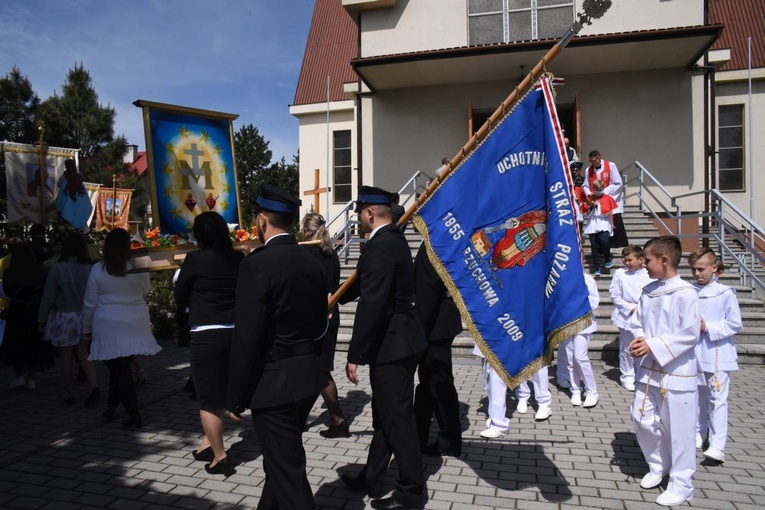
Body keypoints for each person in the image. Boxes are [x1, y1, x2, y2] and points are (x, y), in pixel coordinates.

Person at [227, 185, 328, 508]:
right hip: (306, 376)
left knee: (287, 469)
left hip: (273, 383)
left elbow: (248, 336)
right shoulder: (312, 259)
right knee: (280, 460)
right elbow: (318, 325)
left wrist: (236, 396)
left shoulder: (256, 264)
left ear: (261, 220)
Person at [338, 185, 427, 510]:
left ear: (370, 213)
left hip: (392, 343)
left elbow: (372, 302)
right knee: (387, 415)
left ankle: (411, 493)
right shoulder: (393, 240)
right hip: (402, 339)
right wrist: (334, 298)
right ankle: (373, 477)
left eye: (360, 213)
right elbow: (364, 282)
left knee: (398, 419)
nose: (358, 220)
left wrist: (355, 354)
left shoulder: (380, 246)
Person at [628, 236, 700, 507]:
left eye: (647, 260)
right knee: (641, 416)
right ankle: (658, 464)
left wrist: (653, 344)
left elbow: (689, 333)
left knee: (678, 429)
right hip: (649, 368)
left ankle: (682, 484)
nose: (644, 264)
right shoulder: (648, 291)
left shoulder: (686, 293)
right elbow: (638, 322)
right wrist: (638, 338)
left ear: (665, 260)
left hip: (676, 370)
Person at [174, 211, 244, 474]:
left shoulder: (195, 259)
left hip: (206, 333)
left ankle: (219, 456)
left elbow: (180, 295)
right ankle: (207, 442)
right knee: (220, 389)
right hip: (235, 331)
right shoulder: (237, 258)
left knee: (208, 399)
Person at [82, 228, 161, 429]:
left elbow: (90, 303)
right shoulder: (138, 267)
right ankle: (111, 408)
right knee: (119, 369)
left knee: (119, 370)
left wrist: (86, 329)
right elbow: (146, 291)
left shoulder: (99, 269)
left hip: (108, 325)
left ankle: (133, 413)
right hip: (135, 322)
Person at [687, 247, 742, 463]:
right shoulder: (689, 291)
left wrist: (707, 326)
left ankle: (718, 444)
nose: (697, 274)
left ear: (714, 268)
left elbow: (734, 323)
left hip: (717, 351)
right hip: (694, 352)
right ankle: (699, 433)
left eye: (701, 269)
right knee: (697, 396)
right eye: (693, 269)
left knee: (717, 399)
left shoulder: (725, 293)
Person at [300, 212, 350, 439]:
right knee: (316, 369)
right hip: (330, 317)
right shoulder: (331, 254)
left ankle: (338, 420)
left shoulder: (304, 253)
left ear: (305, 231)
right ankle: (300, 417)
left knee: (318, 370)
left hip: (313, 318)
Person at [38, 232, 99, 406]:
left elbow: (49, 295)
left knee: (66, 357)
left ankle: (69, 393)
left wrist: (42, 318)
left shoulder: (58, 267)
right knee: (84, 353)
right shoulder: (90, 267)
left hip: (64, 315)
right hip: (84, 315)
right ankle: (94, 386)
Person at [413, 243, 463, 456]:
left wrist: (418, 332)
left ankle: (449, 439)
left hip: (435, 325)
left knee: (440, 384)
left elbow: (427, 291)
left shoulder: (435, 243)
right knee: (428, 383)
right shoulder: (439, 239)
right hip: (439, 321)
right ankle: (419, 433)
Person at [0, 241, 52, 389]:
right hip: (35, 311)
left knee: (17, 346)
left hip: (17, 311)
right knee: (33, 345)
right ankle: (31, 378)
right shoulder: (38, 271)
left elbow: (7, 292)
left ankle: (19, 376)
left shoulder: (10, 271)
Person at [609, 245, 653, 391]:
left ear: (641, 260)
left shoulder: (648, 273)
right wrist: (630, 308)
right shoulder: (620, 273)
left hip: (645, 314)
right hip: (627, 314)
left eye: (629, 260)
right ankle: (627, 376)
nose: (626, 262)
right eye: (624, 259)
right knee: (627, 347)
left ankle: (641, 371)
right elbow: (615, 295)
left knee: (643, 343)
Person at [565, 271, 600, 408]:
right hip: (565, 322)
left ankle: (592, 391)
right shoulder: (562, 278)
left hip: (583, 321)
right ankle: (575, 389)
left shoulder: (587, 279)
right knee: (569, 358)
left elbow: (593, 301)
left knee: (580, 356)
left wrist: (575, 307)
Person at [582, 150, 628, 247]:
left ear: (599, 158)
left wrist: (604, 193)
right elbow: (585, 185)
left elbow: (618, 183)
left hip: (609, 200)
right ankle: (601, 247)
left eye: (593, 161)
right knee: (598, 226)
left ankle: (614, 245)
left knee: (613, 223)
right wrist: (590, 194)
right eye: (590, 161)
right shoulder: (588, 170)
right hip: (595, 202)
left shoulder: (610, 166)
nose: (592, 163)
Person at [474, 344, 510, 439]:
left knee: (497, 382)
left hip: (500, 342)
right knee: (489, 381)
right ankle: (493, 416)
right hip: (487, 338)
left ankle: (500, 426)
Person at [582, 179, 617, 276]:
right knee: (594, 246)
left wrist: (598, 205)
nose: (598, 191)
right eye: (596, 189)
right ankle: (596, 267)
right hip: (593, 223)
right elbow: (584, 211)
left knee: (604, 241)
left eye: (600, 189)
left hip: (604, 223)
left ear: (603, 188)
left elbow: (607, 211)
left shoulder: (607, 198)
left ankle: (607, 258)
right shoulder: (589, 198)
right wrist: (591, 206)